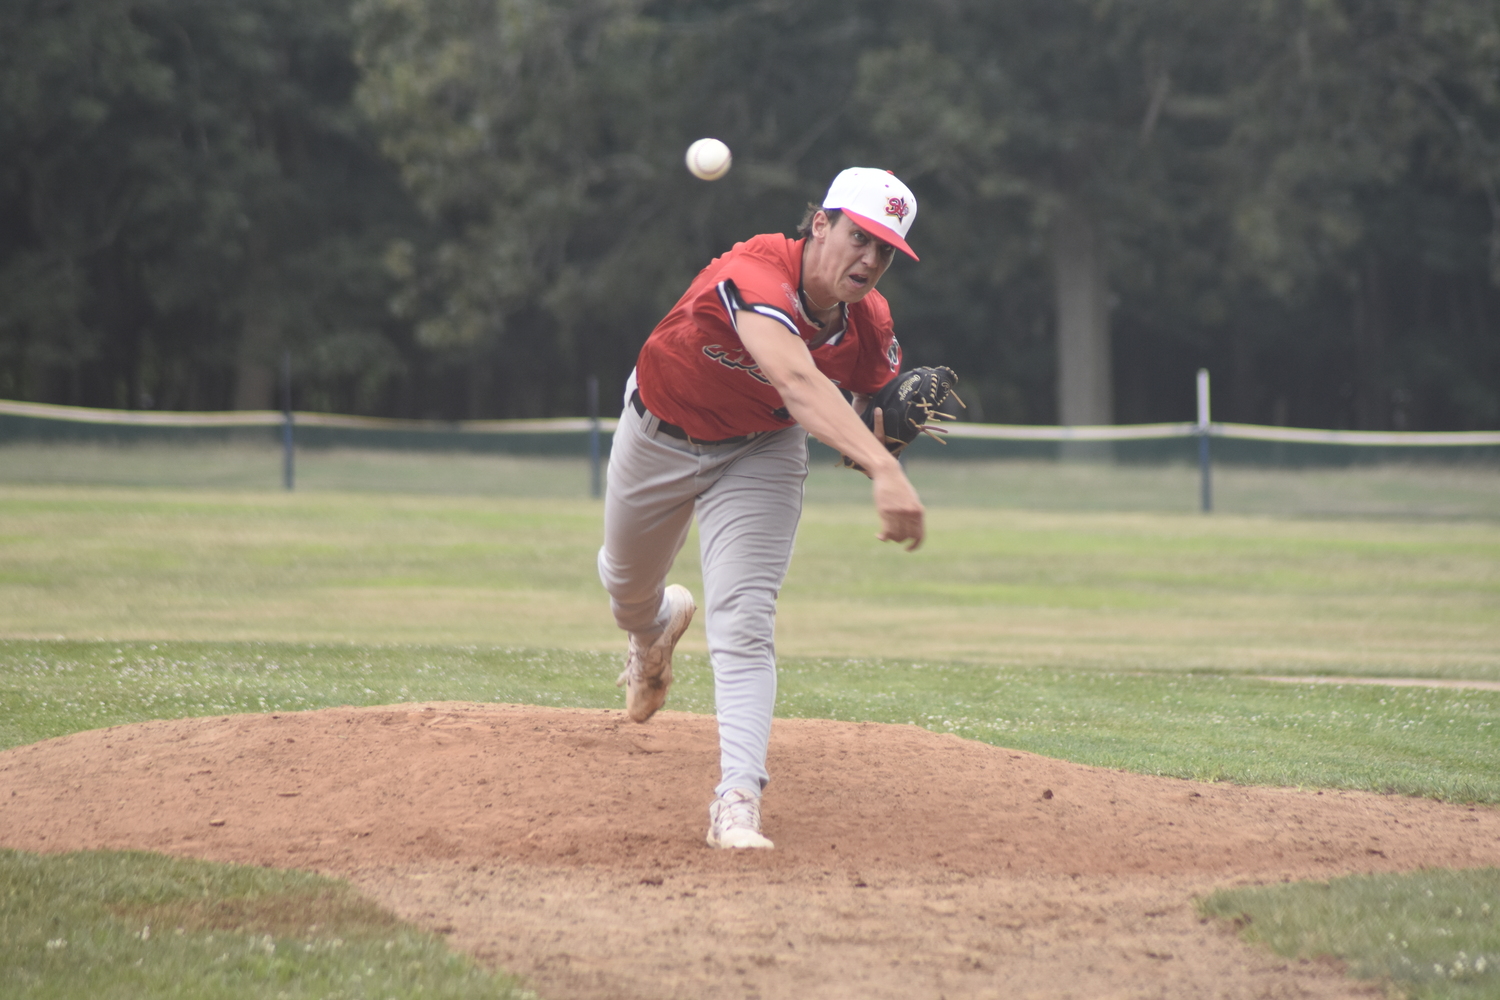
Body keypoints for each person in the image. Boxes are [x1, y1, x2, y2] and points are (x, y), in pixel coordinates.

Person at [597, 167, 926, 849]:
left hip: (760, 453)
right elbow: (799, 380)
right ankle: (651, 631)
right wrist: (882, 464)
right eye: (859, 237)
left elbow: (858, 399)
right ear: (820, 225)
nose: (869, 259)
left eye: (886, 250)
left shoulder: (870, 323)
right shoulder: (755, 272)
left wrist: (880, 422)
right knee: (626, 590)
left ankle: (737, 799)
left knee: (745, 617)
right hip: (658, 431)